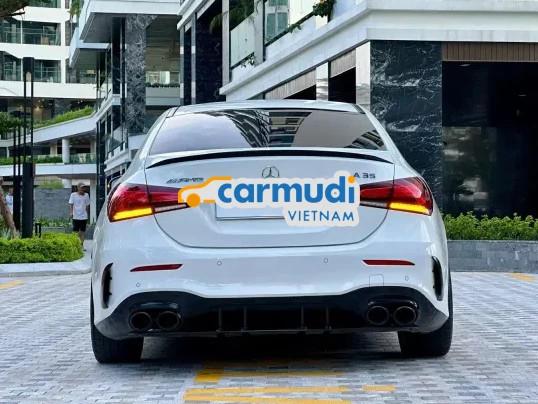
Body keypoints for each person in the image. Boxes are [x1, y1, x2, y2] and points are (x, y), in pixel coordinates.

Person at [69, 183, 90, 248]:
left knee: (82, 232)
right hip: (76, 216)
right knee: (75, 232)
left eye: (84, 188)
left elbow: (87, 206)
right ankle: (75, 245)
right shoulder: (73, 195)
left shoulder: (86, 195)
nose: (83, 189)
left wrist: (87, 214)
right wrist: (71, 212)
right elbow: (71, 204)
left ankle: (81, 245)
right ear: (78, 188)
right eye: (81, 187)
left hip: (83, 217)